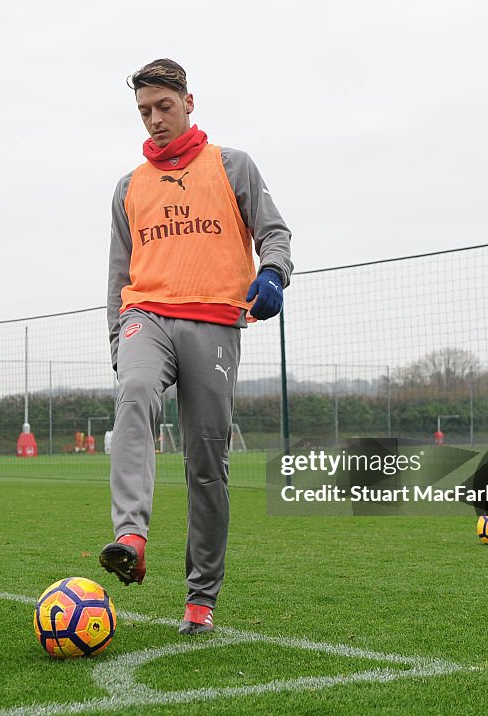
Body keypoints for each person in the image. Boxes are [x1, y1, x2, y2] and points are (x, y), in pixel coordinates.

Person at [101, 58, 293, 635]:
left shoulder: (233, 166)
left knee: (207, 464)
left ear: (189, 102)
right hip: (146, 315)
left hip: (212, 322)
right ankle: (129, 537)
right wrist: (118, 340)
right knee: (134, 390)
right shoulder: (128, 187)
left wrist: (273, 274)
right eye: (144, 112)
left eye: (163, 107)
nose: (154, 120)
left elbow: (274, 232)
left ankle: (200, 597)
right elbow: (118, 274)